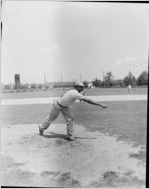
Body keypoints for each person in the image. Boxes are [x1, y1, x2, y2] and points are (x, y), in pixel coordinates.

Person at [39, 82, 107, 140]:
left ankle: (69, 135)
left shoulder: (73, 91)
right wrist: (100, 105)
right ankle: (41, 127)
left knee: (70, 119)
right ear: (77, 87)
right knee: (51, 118)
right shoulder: (75, 93)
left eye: (82, 87)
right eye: (81, 87)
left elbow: (62, 95)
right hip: (57, 105)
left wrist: (79, 97)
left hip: (65, 107)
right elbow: (89, 101)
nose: (82, 88)